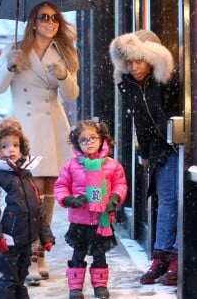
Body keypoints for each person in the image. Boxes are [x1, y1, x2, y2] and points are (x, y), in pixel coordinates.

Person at [0, 1, 79, 284]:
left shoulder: (63, 51)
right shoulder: (15, 49)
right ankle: (26, 252)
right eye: (44, 17)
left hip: (52, 126)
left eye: (55, 18)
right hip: (25, 131)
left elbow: (71, 95)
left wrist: (63, 76)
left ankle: (41, 251)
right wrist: (8, 67)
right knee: (27, 194)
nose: (50, 22)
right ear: (33, 21)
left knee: (48, 191)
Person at [109, 30, 181, 286]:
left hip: (180, 145)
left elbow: (176, 110)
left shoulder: (167, 77)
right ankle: (161, 255)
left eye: (139, 60)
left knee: (173, 200)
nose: (134, 66)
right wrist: (145, 153)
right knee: (165, 200)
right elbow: (140, 120)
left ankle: (174, 256)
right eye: (128, 62)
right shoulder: (129, 84)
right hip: (160, 148)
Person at [0, 118, 55, 299]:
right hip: (6, 242)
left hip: (25, 241)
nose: (11, 150)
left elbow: (36, 209)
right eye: (4, 146)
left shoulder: (24, 175)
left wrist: (45, 236)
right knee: (3, 284)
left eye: (15, 145)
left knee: (19, 280)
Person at [54, 118, 127, 299]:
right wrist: (69, 200)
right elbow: (61, 186)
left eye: (93, 138)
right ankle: (76, 287)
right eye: (84, 140)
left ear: (101, 139)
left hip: (102, 220)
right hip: (81, 220)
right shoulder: (71, 166)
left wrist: (115, 198)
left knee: (99, 255)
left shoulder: (111, 165)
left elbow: (120, 184)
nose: (89, 143)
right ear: (77, 143)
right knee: (78, 255)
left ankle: (100, 286)